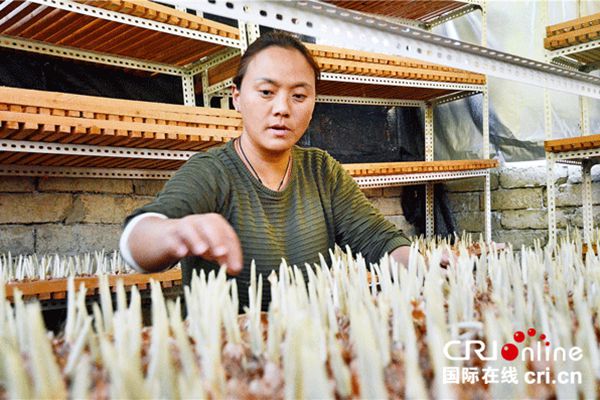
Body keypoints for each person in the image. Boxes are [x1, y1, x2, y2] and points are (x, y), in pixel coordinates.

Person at [119, 31, 412, 307]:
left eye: (298, 96)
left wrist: (422, 265)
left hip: (307, 346)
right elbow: (138, 241)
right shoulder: (212, 172)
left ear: (312, 105)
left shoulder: (322, 172)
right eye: (266, 92)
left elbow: (379, 241)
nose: (282, 108)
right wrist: (177, 232)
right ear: (236, 97)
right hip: (224, 353)